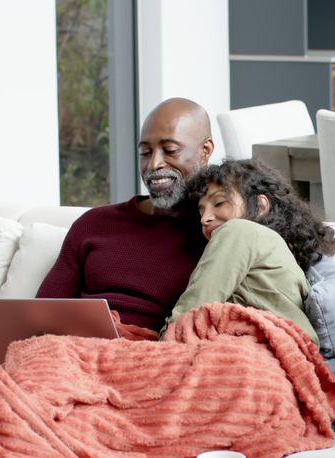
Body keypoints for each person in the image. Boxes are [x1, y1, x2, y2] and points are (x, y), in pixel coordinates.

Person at [36, 98, 213, 331]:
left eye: (170, 150)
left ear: (205, 151)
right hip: (73, 349)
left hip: (148, 356)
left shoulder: (213, 232)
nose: (154, 164)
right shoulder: (94, 224)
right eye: (145, 152)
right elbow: (40, 315)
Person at [165, 159, 335, 346]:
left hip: (264, 348)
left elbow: (191, 310)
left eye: (219, 203)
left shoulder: (239, 230)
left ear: (260, 206)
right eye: (202, 211)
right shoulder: (275, 248)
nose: (205, 218)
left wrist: (164, 342)